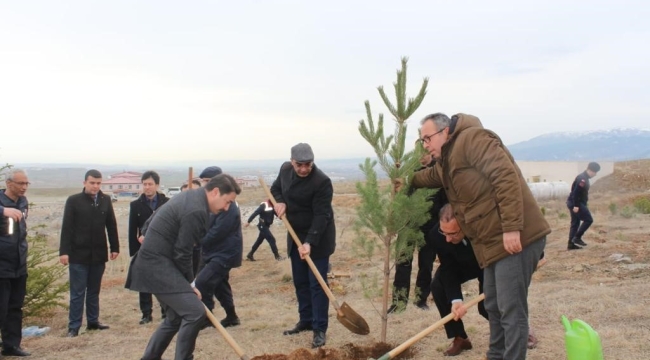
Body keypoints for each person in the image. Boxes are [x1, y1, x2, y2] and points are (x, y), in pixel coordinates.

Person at [410, 113, 548, 360]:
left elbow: (504, 177)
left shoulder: (473, 139)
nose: (425, 145)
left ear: (445, 131)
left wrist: (512, 227)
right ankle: (495, 355)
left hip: (516, 238)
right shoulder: (448, 161)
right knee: (493, 305)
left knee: (510, 308)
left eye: (427, 138)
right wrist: (406, 179)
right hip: (493, 243)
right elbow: (430, 177)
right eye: (422, 140)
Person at [125, 174, 241, 360]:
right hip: (156, 266)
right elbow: (183, 252)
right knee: (195, 312)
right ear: (215, 192)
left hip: (158, 264)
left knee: (175, 317)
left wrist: (188, 284)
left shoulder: (193, 199)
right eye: (227, 202)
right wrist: (190, 285)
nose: (227, 208)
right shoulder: (196, 210)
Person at [271, 143, 336, 349]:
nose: (304, 169)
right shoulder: (284, 170)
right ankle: (306, 320)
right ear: (292, 162)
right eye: (299, 164)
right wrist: (279, 202)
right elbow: (275, 189)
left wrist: (309, 242)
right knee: (300, 281)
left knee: (317, 284)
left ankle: (319, 328)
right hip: (295, 234)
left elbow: (322, 215)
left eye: (308, 164)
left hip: (318, 237)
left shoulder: (322, 182)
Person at [59, 169, 120, 338]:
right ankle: (74, 326)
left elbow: (111, 225)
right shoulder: (74, 201)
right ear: (84, 182)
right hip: (78, 255)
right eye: (92, 183)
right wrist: (64, 252)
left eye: (98, 183)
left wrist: (114, 247)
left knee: (94, 290)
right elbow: (67, 228)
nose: (95, 186)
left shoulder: (105, 200)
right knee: (78, 292)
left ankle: (93, 321)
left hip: (98, 254)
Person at [433, 203, 488, 356]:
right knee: (438, 286)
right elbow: (447, 268)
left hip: (486, 263)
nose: (448, 239)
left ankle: (518, 329)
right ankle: (460, 337)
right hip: (459, 265)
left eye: (453, 234)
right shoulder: (438, 235)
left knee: (486, 307)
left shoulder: (480, 226)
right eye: (445, 233)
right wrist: (455, 300)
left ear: (464, 225)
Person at [388, 153, 439, 313]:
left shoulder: (438, 170)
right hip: (407, 225)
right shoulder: (408, 171)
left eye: (422, 151)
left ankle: (420, 300)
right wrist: (395, 221)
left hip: (430, 225)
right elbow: (398, 198)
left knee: (426, 264)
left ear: (430, 152)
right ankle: (399, 303)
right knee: (403, 263)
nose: (419, 156)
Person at [195, 179, 243, 329]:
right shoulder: (209, 204)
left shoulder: (229, 207)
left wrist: (197, 242)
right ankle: (232, 317)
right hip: (211, 252)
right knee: (219, 286)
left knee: (203, 282)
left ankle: (207, 317)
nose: (205, 184)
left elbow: (218, 232)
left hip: (225, 253)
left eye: (207, 181)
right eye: (204, 181)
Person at [128, 171, 170, 325]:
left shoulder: (167, 202)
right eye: (144, 184)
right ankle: (146, 314)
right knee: (144, 282)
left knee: (163, 281)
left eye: (150, 184)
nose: (147, 187)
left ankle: (166, 311)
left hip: (163, 249)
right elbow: (132, 229)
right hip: (143, 249)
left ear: (157, 185)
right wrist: (134, 252)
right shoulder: (135, 205)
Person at [0, 169, 31, 357]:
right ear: (9, 183)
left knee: (15, 307)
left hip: (18, 264)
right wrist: (3, 211)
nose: (24, 187)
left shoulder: (23, 202)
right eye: (20, 183)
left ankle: (11, 345)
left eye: (26, 183)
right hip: (1, 266)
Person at [566, 162, 600, 250]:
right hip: (576, 203)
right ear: (589, 170)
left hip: (573, 202)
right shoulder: (582, 179)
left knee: (575, 223)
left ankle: (571, 244)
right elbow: (576, 193)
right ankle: (577, 237)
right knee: (588, 220)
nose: (595, 174)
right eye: (594, 172)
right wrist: (576, 205)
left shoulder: (583, 177)